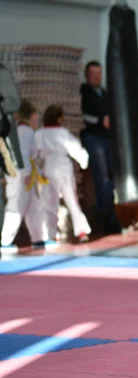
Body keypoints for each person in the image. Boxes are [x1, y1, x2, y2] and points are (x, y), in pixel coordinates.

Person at [33, 105, 92, 245]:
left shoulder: (40, 134)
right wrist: (84, 162)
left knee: (49, 203)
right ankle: (82, 232)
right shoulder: (63, 133)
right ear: (59, 118)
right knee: (72, 200)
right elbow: (76, 149)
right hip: (64, 168)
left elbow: (34, 153)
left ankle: (51, 234)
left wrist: (36, 169)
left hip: (48, 169)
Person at [0, 100, 49, 253]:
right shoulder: (25, 132)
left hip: (23, 175)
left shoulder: (21, 131)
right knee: (16, 207)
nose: (37, 120)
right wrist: (27, 174)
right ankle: (5, 241)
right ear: (32, 116)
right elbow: (24, 155)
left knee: (34, 207)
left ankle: (38, 238)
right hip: (21, 176)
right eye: (36, 116)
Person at [80, 61, 121, 235]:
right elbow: (82, 115)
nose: (97, 76)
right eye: (93, 73)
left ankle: (107, 216)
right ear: (87, 75)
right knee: (102, 179)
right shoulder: (82, 93)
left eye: (99, 73)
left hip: (108, 139)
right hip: (93, 138)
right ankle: (108, 222)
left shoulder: (105, 93)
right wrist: (99, 121)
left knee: (111, 179)